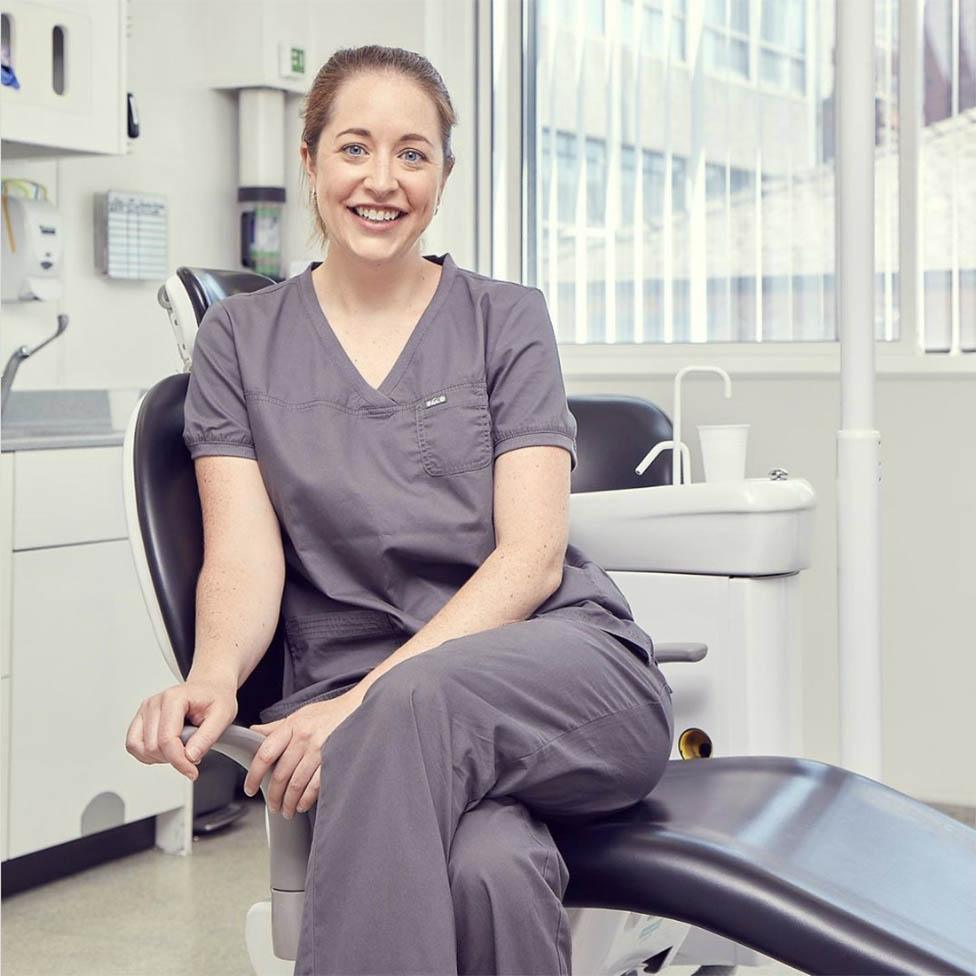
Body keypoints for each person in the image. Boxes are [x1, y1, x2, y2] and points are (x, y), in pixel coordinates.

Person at [126, 44, 674, 976]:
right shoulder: (240, 341)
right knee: (490, 869)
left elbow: (532, 559)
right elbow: (245, 557)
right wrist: (215, 675)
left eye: (413, 154)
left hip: (556, 671)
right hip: (354, 698)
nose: (382, 181)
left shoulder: (507, 317)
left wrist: (366, 708)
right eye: (354, 148)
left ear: (444, 176)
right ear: (310, 162)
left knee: (413, 705)